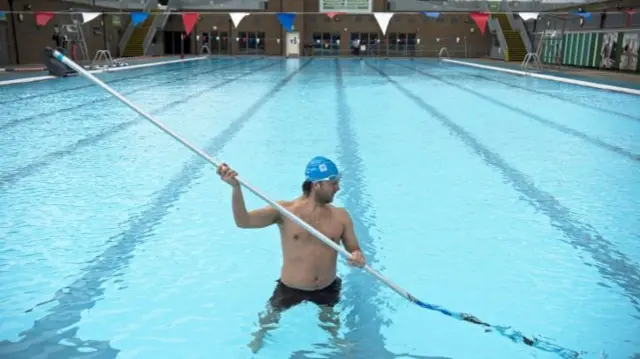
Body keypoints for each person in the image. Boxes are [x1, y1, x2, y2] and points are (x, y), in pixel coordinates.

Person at [216, 156, 366, 352]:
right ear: (316, 184)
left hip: (327, 285)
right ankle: (259, 336)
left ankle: (336, 340)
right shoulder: (284, 211)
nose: (338, 188)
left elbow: (354, 248)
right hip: (291, 286)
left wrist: (357, 255)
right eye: (333, 183)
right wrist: (236, 188)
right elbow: (243, 221)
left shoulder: (341, 215)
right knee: (269, 320)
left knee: (330, 321)